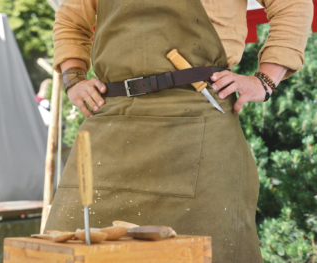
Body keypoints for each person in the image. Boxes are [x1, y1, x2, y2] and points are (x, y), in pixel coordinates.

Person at [45, 1, 313, 262]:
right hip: (111, 118)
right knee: (63, 250)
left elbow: (293, 5)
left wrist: (265, 80)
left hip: (199, 121)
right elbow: (70, 19)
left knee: (209, 251)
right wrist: (73, 80)